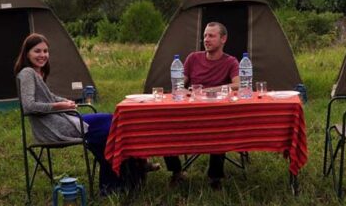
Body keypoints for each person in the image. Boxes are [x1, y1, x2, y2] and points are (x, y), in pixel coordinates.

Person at [15, 32, 155, 195]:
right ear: (27, 53)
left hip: (63, 120)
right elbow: (28, 106)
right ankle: (116, 181)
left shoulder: (38, 72)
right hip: (54, 129)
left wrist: (66, 101)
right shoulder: (27, 73)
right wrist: (58, 106)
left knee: (115, 121)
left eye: (45, 51)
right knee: (108, 131)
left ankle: (134, 165)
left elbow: (50, 97)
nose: (42, 55)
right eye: (37, 51)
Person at [164, 21, 240, 190]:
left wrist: (209, 90)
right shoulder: (193, 58)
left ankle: (215, 177)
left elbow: (238, 85)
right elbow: (179, 83)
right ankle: (176, 172)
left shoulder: (230, 62)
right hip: (191, 111)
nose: (206, 39)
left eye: (211, 36)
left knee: (220, 127)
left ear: (223, 39)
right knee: (165, 125)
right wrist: (181, 89)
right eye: (205, 35)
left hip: (217, 112)